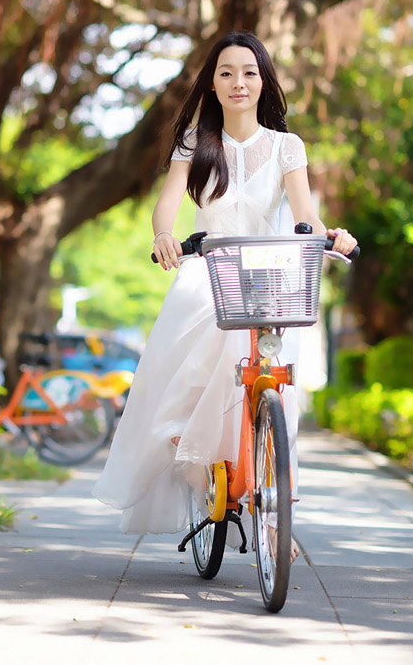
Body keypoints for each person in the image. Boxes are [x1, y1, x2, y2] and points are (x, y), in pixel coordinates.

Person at [92, 30, 356, 558]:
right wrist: (164, 235)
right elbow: (167, 204)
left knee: (279, 380)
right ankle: (197, 449)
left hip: (271, 273)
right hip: (211, 270)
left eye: (250, 72)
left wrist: (331, 236)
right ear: (212, 84)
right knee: (208, 336)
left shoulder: (287, 146)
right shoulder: (194, 143)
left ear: (264, 82)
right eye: (227, 73)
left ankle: (277, 506)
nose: (239, 82)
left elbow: (305, 215)